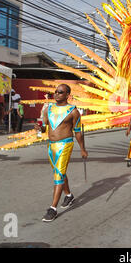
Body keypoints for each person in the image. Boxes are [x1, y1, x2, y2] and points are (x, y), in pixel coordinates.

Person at [34, 84, 88, 222]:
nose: (56, 94)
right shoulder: (48, 109)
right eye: (55, 92)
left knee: (58, 174)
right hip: (51, 145)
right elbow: (45, 127)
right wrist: (39, 128)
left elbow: (77, 131)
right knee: (60, 172)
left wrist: (82, 149)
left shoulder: (73, 111)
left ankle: (52, 209)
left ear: (67, 95)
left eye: (60, 92)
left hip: (65, 145)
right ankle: (68, 195)